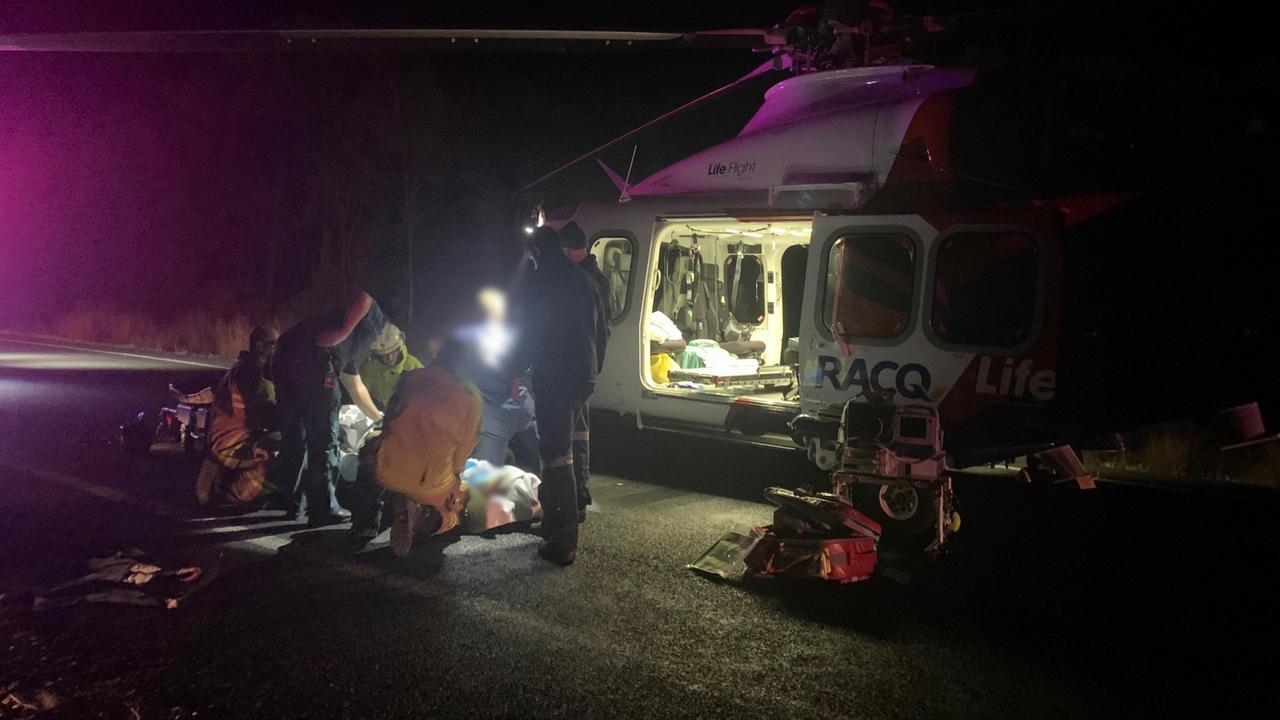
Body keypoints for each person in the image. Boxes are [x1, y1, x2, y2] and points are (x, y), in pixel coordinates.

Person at [511, 224, 610, 565]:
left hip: (555, 375)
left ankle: (563, 538)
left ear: (537, 252)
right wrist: (593, 370)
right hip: (583, 374)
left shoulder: (541, 282)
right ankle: (560, 519)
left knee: (555, 455)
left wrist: (514, 371)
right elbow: (601, 329)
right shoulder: (584, 278)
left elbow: (529, 334)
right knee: (571, 443)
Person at [347, 337, 483, 555]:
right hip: (430, 481)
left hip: (388, 469)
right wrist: (456, 478)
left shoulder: (411, 378)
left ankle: (366, 523)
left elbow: (389, 421)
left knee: (367, 450)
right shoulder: (471, 396)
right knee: (457, 508)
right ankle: (428, 518)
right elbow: (465, 449)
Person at [267, 291, 387, 527]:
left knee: (295, 436)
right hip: (315, 362)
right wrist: (342, 332)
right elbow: (365, 298)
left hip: (282, 357)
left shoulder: (349, 351)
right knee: (323, 441)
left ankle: (291, 503)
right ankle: (323, 508)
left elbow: (356, 388)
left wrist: (380, 418)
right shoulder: (377, 323)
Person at [453, 287, 540, 473]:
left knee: (481, 476)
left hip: (488, 420)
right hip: (491, 421)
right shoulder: (499, 342)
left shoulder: (472, 341)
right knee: (483, 476)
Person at [197, 325, 279, 505]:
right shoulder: (252, 374)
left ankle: (223, 485)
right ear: (259, 346)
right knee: (282, 451)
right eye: (274, 345)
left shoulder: (241, 368)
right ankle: (235, 495)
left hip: (220, 443)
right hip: (232, 445)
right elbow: (266, 415)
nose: (278, 350)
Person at [358, 322, 424, 411]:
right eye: (384, 355)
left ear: (400, 348)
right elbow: (360, 395)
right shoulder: (369, 368)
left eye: (393, 352)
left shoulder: (415, 367)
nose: (390, 358)